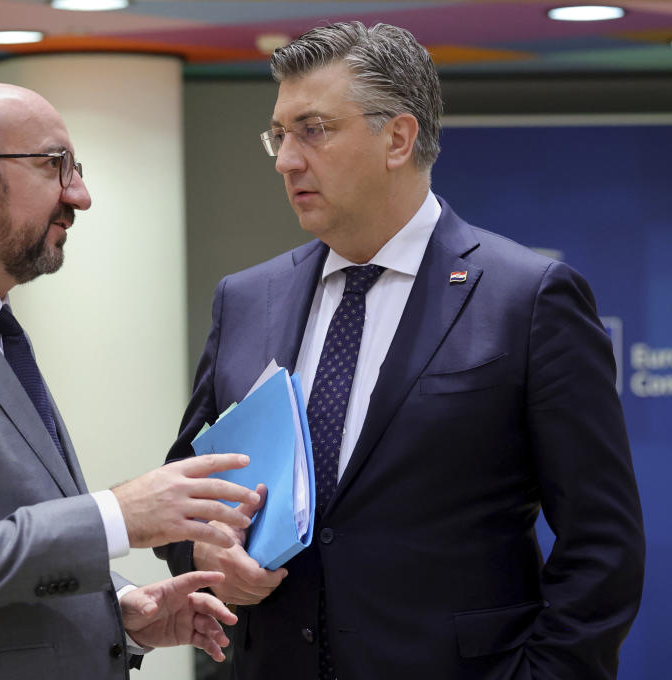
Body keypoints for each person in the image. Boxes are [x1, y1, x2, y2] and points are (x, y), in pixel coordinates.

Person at [160, 22, 646, 680]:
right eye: (279, 135)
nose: (286, 159)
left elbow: (603, 546)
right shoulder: (247, 299)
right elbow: (183, 494)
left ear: (398, 138)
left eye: (314, 129)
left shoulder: (526, 299)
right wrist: (203, 552)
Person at [0, 81, 264, 679]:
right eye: (53, 165)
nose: (81, 195)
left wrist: (116, 610)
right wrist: (115, 516)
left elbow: (0, 527)